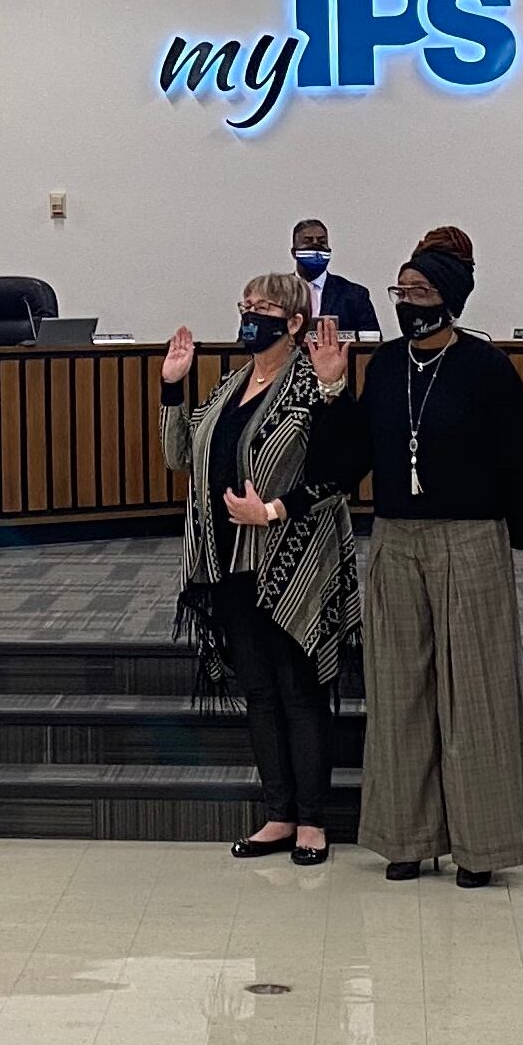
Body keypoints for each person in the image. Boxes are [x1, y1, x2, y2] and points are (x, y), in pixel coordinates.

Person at [345, 227, 523, 886]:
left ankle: (481, 845)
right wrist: (327, 392)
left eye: (422, 290)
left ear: (451, 298)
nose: (408, 302)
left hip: (470, 537)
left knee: (478, 692)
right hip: (396, 540)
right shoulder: (382, 367)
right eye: (401, 291)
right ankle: (405, 838)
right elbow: (350, 456)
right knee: (398, 688)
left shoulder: (485, 368)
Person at [159, 271, 360, 866]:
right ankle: (277, 814)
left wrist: (270, 511)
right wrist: (173, 387)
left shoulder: (312, 382)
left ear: (294, 322)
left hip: (290, 563)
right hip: (224, 561)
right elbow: (180, 458)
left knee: (299, 692)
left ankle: (312, 822)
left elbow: (337, 473)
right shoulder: (231, 383)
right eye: (245, 304)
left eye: (264, 306)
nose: (250, 314)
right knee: (259, 692)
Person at [290, 218, 382, 341]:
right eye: (308, 241)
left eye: (322, 242)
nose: (316, 245)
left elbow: (372, 341)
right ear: (294, 252)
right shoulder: (275, 293)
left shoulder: (354, 295)